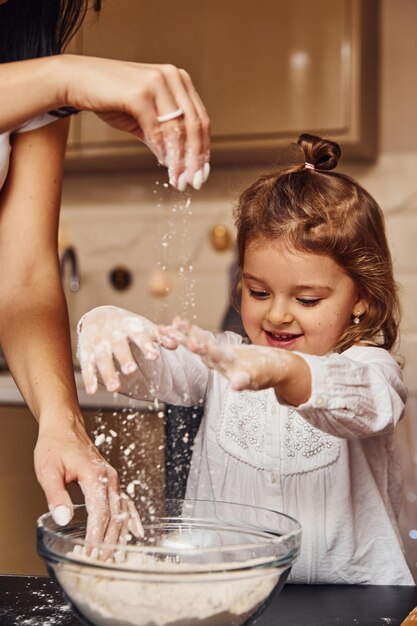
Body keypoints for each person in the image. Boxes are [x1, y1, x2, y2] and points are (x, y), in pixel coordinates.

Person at [77, 133, 414, 584]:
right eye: (258, 292)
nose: (276, 314)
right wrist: (104, 322)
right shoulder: (221, 362)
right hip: (225, 595)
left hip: (357, 603)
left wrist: (284, 371)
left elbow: (365, 405)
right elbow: (150, 366)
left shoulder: (370, 370)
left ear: (362, 299)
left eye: (308, 299)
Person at [0, 0, 210, 543]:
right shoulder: (49, 79)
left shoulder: (25, 51)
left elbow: (22, 274)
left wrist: (60, 421)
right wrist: (63, 77)